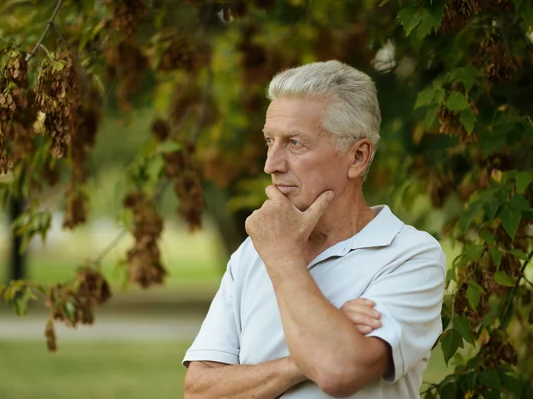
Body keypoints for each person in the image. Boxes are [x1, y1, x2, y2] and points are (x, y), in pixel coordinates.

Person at [182, 60, 446, 398]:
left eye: (294, 143)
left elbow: (338, 371)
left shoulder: (410, 255)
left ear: (357, 157)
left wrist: (282, 257)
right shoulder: (252, 252)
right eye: (269, 141)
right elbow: (199, 392)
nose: (271, 165)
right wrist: (301, 361)